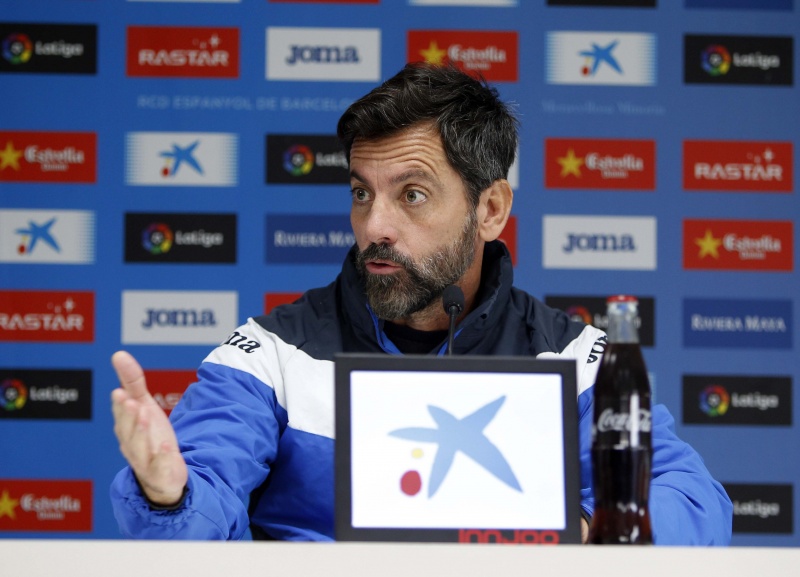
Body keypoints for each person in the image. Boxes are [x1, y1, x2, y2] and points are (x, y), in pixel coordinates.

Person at [110, 62, 732, 544]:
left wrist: (584, 531)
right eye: (361, 193)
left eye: (411, 194)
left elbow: (692, 499)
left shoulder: (574, 359)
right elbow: (201, 500)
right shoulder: (270, 354)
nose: (374, 226)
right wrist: (170, 496)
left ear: (490, 209)